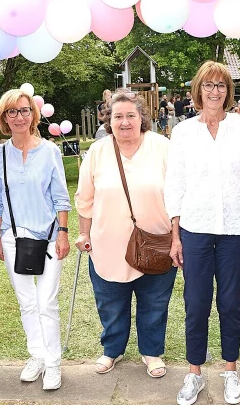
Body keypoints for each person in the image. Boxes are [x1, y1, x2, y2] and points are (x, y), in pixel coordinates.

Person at [166, 61, 240, 405]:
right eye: (208, 85)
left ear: (228, 91)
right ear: (198, 90)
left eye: (221, 85)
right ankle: (194, 374)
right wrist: (176, 235)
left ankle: (230, 370)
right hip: (195, 230)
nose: (215, 91)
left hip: (237, 229)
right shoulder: (183, 132)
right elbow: (174, 184)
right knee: (195, 303)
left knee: (230, 301)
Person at [74, 90, 176, 380]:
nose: (125, 122)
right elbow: (85, 198)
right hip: (108, 245)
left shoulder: (161, 147)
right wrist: (84, 234)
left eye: (131, 115)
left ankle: (152, 352)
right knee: (110, 302)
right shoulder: (98, 151)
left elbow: (179, 196)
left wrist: (177, 237)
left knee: (155, 304)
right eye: (118, 116)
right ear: (109, 120)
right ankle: (112, 350)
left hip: (156, 243)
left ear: (142, 117)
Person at [0, 89, 71, 391]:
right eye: (12, 112)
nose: (19, 117)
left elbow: (61, 196)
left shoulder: (49, 150)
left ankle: (53, 363)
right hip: (13, 237)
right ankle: (36, 355)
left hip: (48, 236)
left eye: (24, 111)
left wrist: (63, 232)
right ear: (4, 118)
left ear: (33, 115)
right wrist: (0, 236)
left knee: (46, 301)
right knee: (26, 302)